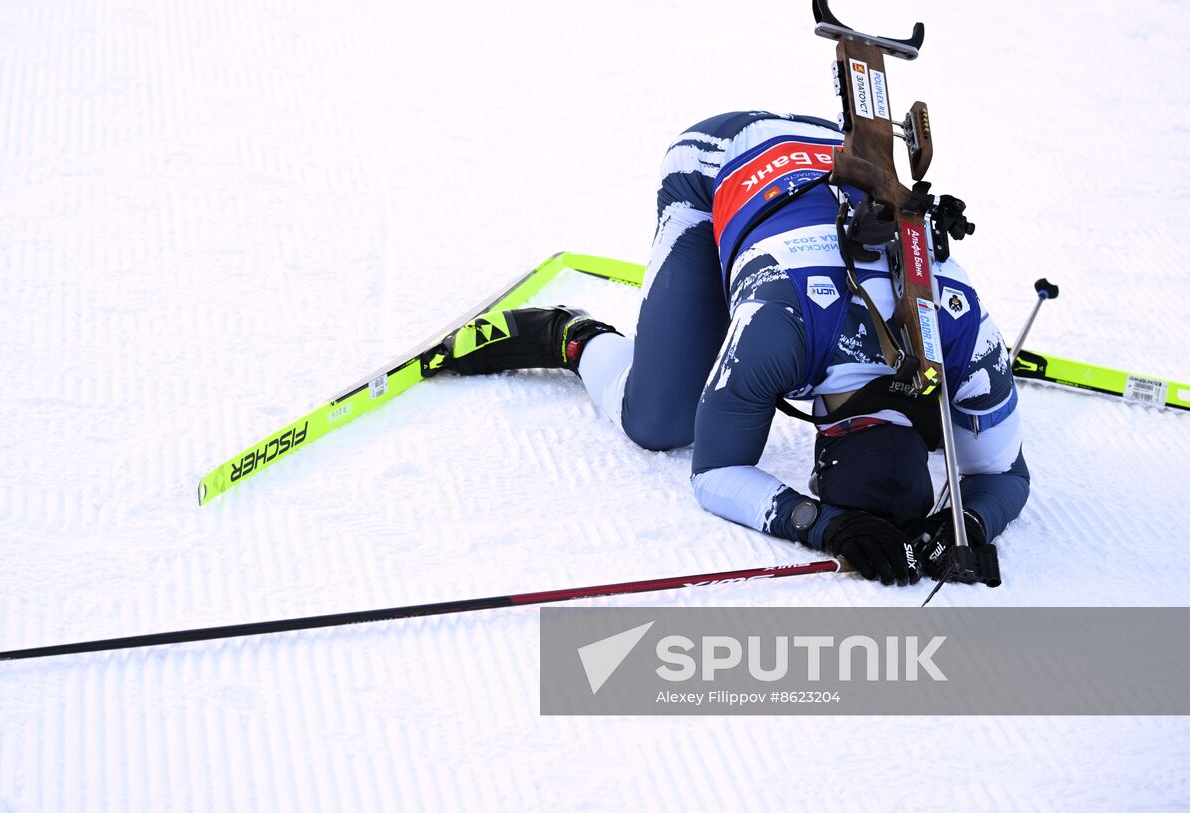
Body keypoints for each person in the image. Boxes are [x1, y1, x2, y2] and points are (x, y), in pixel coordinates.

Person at [438, 111, 1029, 586]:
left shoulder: (966, 338)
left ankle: (709, 314)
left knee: (720, 385)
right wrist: (822, 525)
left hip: (835, 160)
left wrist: (967, 525)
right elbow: (716, 472)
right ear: (819, 457)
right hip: (720, 162)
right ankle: (569, 335)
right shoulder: (782, 336)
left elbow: (1004, 475)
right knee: (659, 420)